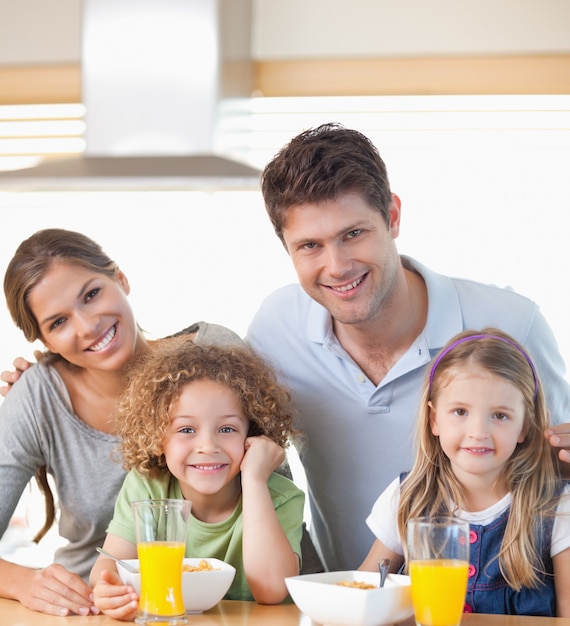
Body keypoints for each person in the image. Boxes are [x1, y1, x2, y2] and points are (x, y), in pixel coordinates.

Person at [246, 122, 570, 573]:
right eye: (309, 246)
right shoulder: (275, 328)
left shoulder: (515, 324)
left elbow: (557, 465)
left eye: (353, 234)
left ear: (393, 217)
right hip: (352, 602)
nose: (337, 266)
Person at [0, 228, 243, 617]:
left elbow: (277, 493)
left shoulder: (216, 357)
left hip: (237, 605)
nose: (87, 325)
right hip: (100, 612)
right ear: (45, 341)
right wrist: (21, 582)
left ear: (121, 279)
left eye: (92, 294)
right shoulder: (37, 396)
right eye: (58, 322)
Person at [359, 329, 570, 616]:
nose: (478, 432)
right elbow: (363, 595)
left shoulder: (557, 507)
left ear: (524, 427)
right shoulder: (406, 497)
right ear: (434, 420)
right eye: (460, 412)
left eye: (500, 415)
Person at [90, 339, 304, 620]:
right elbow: (107, 567)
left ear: (252, 434)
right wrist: (109, 590)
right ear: (157, 438)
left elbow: (272, 590)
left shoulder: (281, 497)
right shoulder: (148, 487)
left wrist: (254, 480)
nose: (208, 446)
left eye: (227, 428)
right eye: (187, 429)